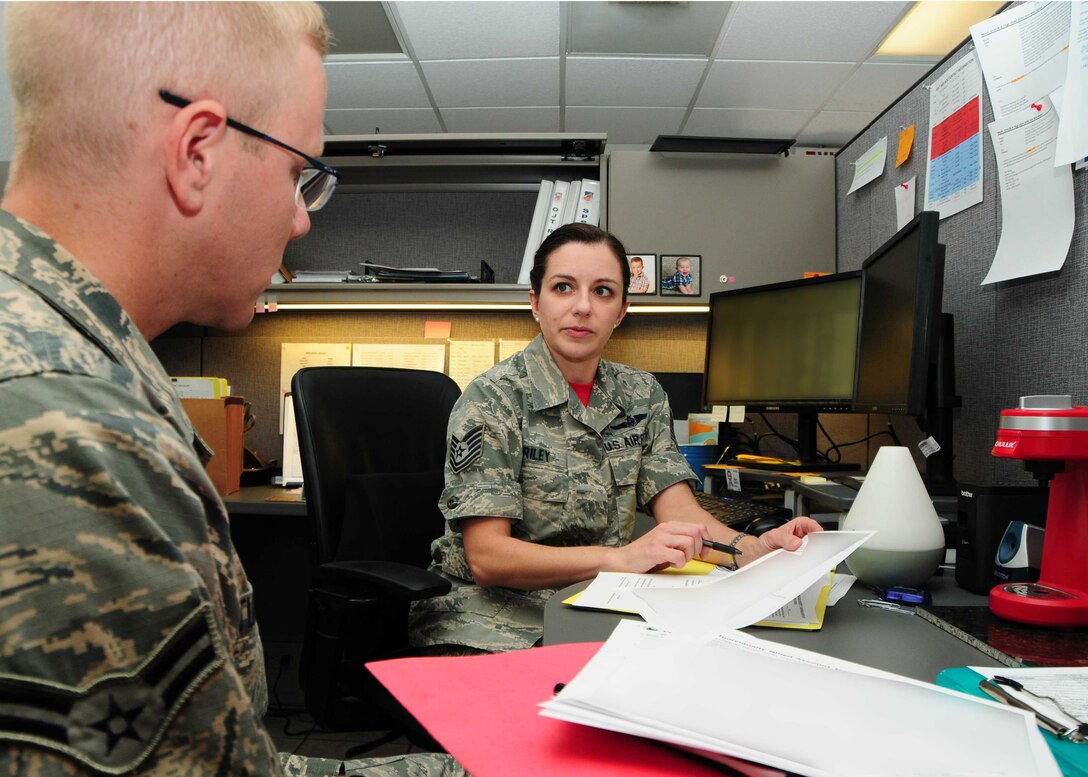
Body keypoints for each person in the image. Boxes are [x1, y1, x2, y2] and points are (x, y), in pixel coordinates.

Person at [0, 4, 462, 775]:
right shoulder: (68, 431)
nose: (300, 217)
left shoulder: (76, 359)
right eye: (296, 172)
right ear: (197, 152)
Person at [409, 224, 821, 652]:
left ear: (622, 310)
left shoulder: (642, 394)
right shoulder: (492, 399)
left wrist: (752, 549)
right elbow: (488, 558)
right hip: (492, 617)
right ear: (535, 302)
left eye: (603, 291)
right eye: (564, 287)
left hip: (599, 602)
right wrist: (621, 559)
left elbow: (679, 513)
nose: (583, 307)